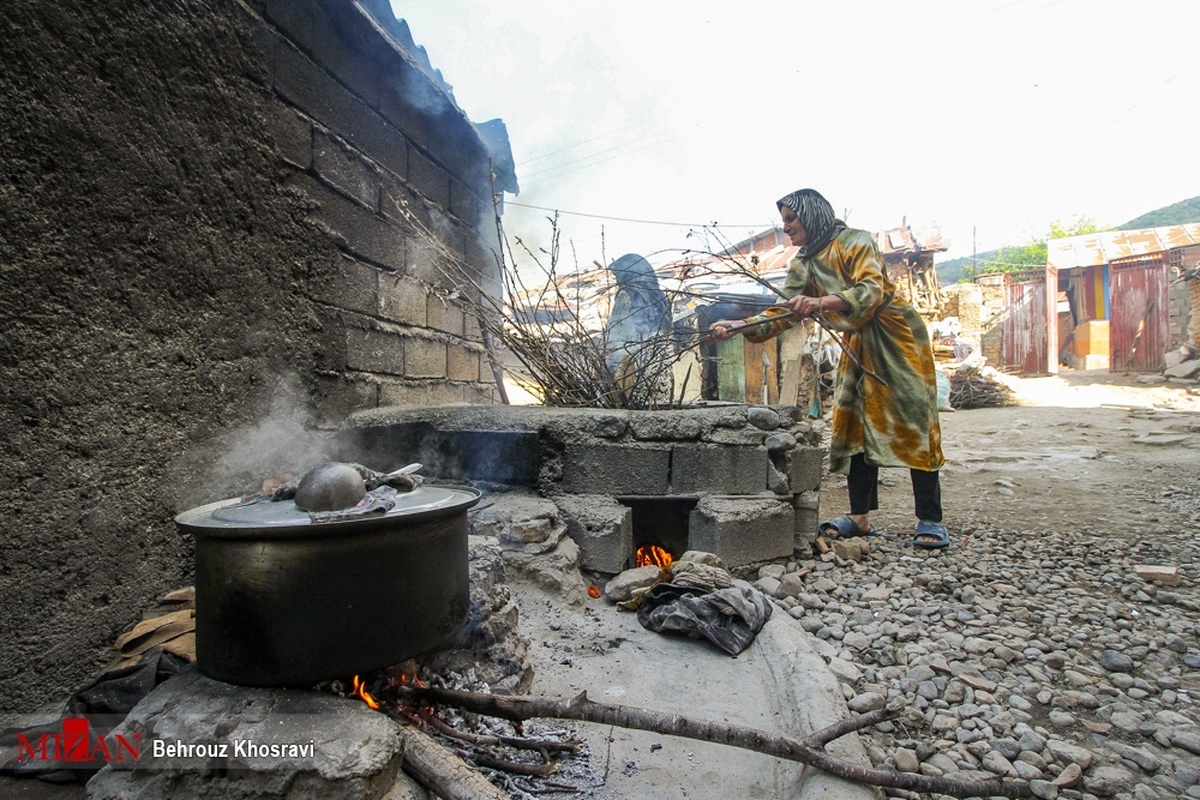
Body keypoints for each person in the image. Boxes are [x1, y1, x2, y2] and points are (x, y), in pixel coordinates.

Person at [710, 188, 949, 549]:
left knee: (914, 418)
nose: (787, 228)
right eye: (784, 221)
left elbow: (872, 290)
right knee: (852, 422)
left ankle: (929, 517)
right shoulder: (802, 263)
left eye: (792, 219)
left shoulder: (854, 241)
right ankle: (859, 517)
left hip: (895, 335)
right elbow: (784, 311)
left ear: (812, 213)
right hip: (857, 341)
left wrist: (821, 301)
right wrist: (737, 327)